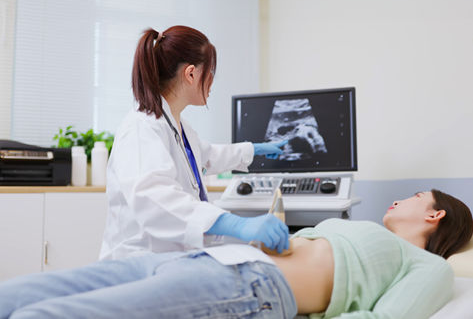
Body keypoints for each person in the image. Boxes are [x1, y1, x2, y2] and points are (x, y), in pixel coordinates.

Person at [1, 189, 471, 319]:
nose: (398, 200)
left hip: (250, 289)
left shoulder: (430, 268)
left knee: (49, 314)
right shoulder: (362, 228)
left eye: (413, 197)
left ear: (436, 217)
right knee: (18, 294)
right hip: (208, 261)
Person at [100, 26, 289, 260]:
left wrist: (254, 149)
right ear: (190, 74)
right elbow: (154, 198)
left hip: (171, 259)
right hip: (138, 263)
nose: (212, 82)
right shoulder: (141, 128)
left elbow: (206, 155)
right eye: (210, 73)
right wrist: (233, 224)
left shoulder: (178, 126)